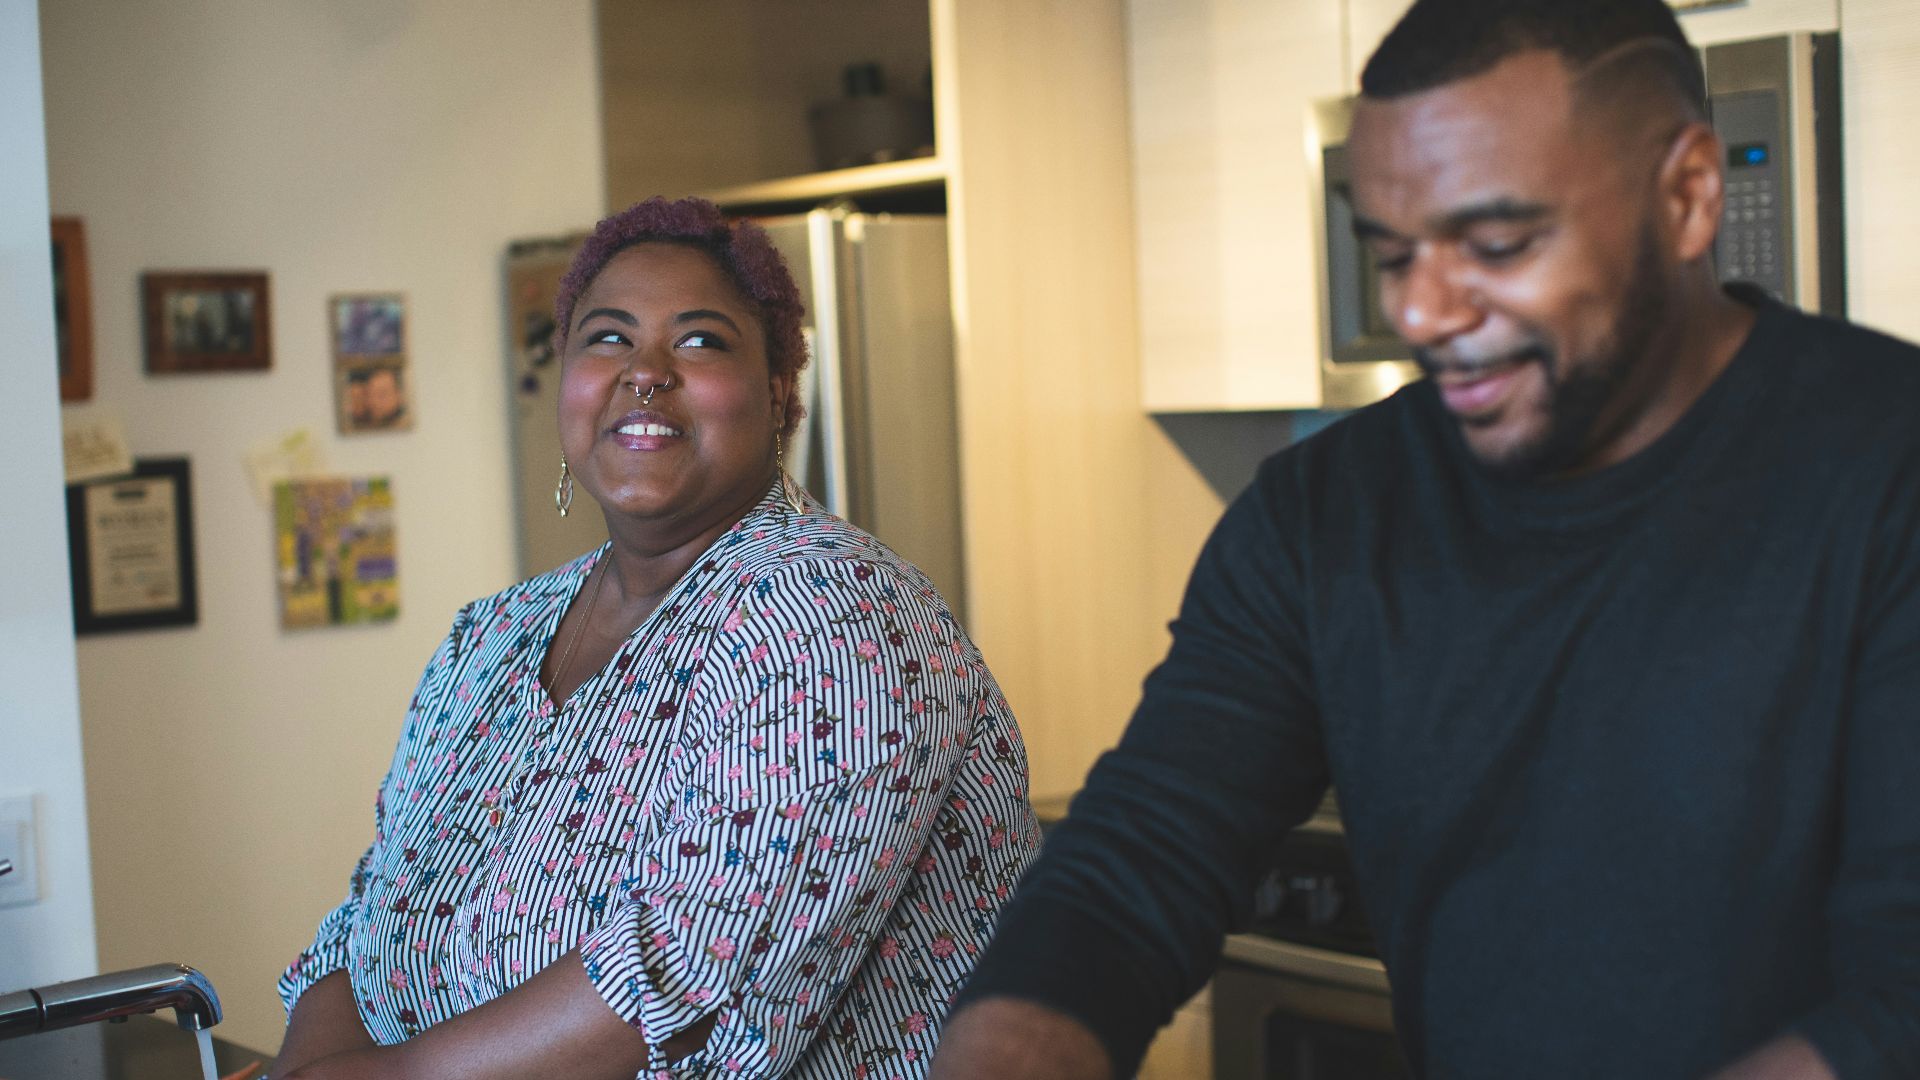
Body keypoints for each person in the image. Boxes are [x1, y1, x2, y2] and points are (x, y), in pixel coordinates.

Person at [931, 1, 1920, 1077]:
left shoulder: (1887, 466)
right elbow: (1137, 869)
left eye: (1496, 244)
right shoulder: (1323, 516)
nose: (1425, 312)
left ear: (1687, 196)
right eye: (1393, 256)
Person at [275, 196, 1037, 1079]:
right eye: (607, 338)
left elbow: (684, 975)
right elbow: (376, 905)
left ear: (780, 393)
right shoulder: (491, 637)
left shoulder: (839, 616)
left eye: (701, 341)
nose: (645, 372)